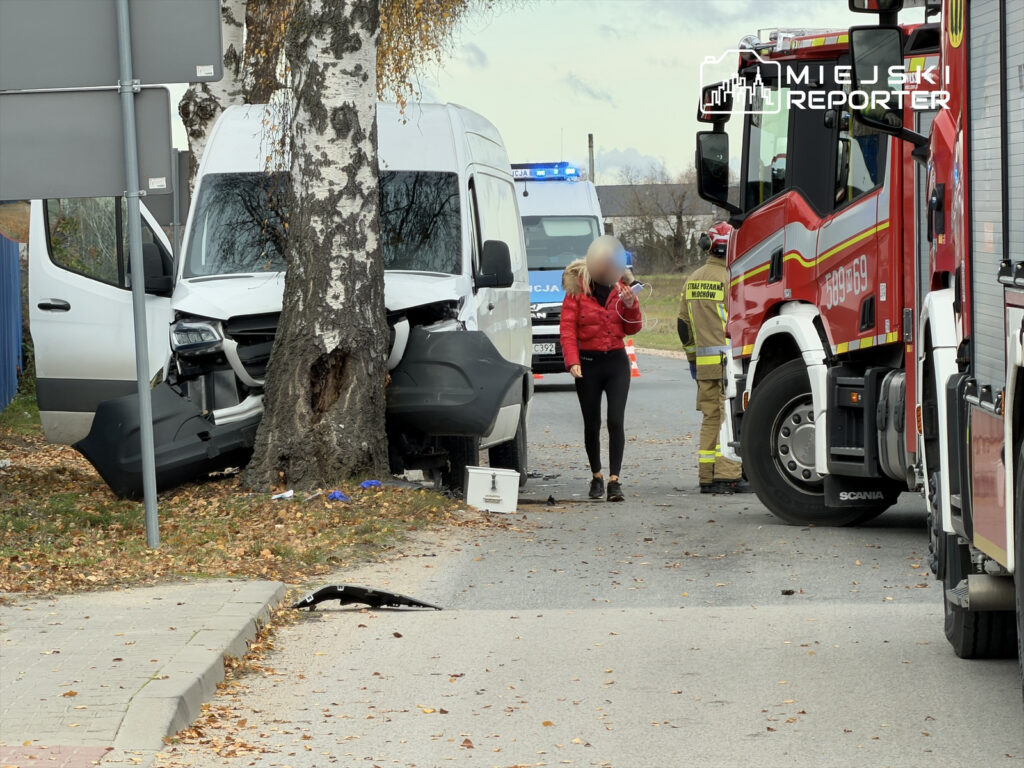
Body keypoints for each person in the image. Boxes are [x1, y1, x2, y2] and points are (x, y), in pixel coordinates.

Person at [560, 235, 643, 502]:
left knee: (616, 421)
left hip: (616, 362)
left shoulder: (622, 289)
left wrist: (631, 306)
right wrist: (572, 360)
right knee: (592, 423)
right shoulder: (577, 292)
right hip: (588, 364)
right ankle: (596, 475)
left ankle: (614, 481)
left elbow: (632, 328)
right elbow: (568, 329)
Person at [678, 222, 750, 494]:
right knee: (727, 418)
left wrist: (693, 359)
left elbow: (683, 325)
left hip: (704, 365)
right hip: (729, 363)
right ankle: (727, 475)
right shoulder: (732, 279)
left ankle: (706, 475)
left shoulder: (693, 279)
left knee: (711, 417)